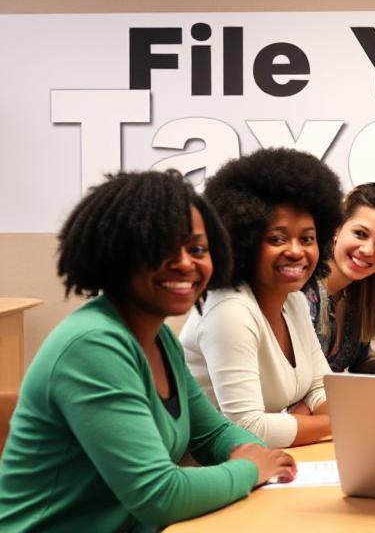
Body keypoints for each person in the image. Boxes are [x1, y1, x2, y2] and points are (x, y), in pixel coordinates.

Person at [0, 171, 295, 532]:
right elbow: (160, 497)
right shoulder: (92, 346)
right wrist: (250, 469)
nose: (186, 262)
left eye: (197, 249)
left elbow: (212, 434)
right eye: (161, 248)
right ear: (114, 252)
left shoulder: (160, 338)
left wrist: (254, 453)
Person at [181, 148, 342, 448]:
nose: (296, 250)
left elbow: (320, 387)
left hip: (263, 463)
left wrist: (332, 417)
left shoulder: (292, 300)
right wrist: (338, 423)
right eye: (277, 239)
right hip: (207, 472)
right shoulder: (229, 311)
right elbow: (247, 427)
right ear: (244, 242)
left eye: (307, 238)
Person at [303, 183, 375, 373]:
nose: (368, 250)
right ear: (337, 229)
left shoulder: (354, 298)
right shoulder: (300, 291)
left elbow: (362, 357)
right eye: (360, 234)